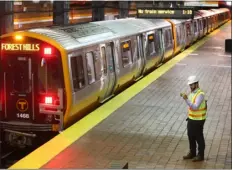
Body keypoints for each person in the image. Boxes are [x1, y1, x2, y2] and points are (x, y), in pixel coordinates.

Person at [181, 75, 207, 162]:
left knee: (198, 137)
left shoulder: (200, 94)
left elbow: (195, 107)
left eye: (192, 85)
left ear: (196, 84)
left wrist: (186, 99)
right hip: (192, 119)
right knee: (190, 135)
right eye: (190, 85)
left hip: (199, 120)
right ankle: (192, 153)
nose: (190, 87)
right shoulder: (192, 93)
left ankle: (200, 155)